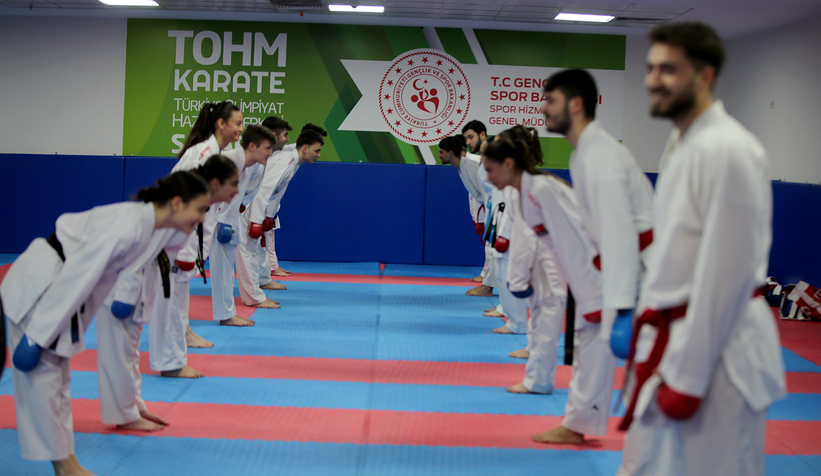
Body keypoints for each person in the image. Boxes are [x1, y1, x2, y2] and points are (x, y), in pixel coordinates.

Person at [617, 22, 785, 476]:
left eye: (668, 69)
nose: (653, 79)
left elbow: (725, 274)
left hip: (723, 354)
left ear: (705, 75)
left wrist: (689, 377)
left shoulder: (729, 149)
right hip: (688, 340)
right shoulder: (685, 143)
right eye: (651, 68)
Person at [1, 170, 211, 476]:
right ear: (177, 203)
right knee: (45, 376)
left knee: (58, 377)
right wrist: (36, 336)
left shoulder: (149, 225)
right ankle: (65, 466)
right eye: (201, 209)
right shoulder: (128, 227)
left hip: (62, 290)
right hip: (44, 289)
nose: (203, 218)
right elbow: (75, 277)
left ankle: (66, 462)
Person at [482, 134, 615, 444]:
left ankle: (578, 424)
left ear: (509, 164)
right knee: (586, 345)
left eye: (490, 169)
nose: (487, 176)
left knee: (593, 347)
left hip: (599, 271)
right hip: (583, 271)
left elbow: (579, 240)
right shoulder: (528, 190)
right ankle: (577, 421)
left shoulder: (540, 190)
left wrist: (590, 294)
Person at [541, 68, 655, 357]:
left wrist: (620, 304)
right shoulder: (583, 154)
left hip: (646, 275)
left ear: (576, 104)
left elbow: (621, 235)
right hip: (625, 270)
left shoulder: (600, 158)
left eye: (551, 100)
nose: (543, 108)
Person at [148, 153, 240, 378]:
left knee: (174, 303)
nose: (238, 191)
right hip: (150, 254)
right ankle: (170, 364)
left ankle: (172, 362)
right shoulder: (193, 196)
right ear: (217, 183)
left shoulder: (204, 198)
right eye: (234, 184)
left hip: (166, 253)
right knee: (159, 307)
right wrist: (186, 258)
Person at [498, 126, 569, 393]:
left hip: (554, 258)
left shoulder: (528, 187)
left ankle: (539, 381)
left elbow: (526, 235)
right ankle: (535, 366)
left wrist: (516, 277)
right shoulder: (528, 183)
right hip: (548, 256)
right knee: (541, 313)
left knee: (548, 314)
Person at [236, 127, 325, 308]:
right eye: (317, 150)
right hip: (248, 205)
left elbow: (275, 193)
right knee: (247, 251)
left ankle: (262, 279)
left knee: (259, 249)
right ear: (306, 149)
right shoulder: (285, 162)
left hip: (261, 207)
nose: (319, 155)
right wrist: (255, 221)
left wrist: (270, 215)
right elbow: (263, 192)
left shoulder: (294, 159)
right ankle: (254, 297)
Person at [210, 124, 280, 325]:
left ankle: (227, 315)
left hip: (230, 215)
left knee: (225, 267)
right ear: (252, 146)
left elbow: (244, 195)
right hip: (207, 215)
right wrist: (221, 218)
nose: (270, 153)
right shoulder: (230, 161)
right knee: (184, 269)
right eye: (267, 148)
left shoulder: (254, 165)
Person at [260, 116, 295, 278]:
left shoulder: (279, 151)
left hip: (270, 205)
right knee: (260, 240)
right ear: (273, 134)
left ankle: (272, 265)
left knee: (270, 234)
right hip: (258, 205)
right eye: (285, 135)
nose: (287, 139)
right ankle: (267, 269)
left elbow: (292, 148)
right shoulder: (260, 153)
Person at [462, 120, 494, 297]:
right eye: (466, 138)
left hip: (501, 207)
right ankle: (487, 282)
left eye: (471, 137)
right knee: (492, 246)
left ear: (483, 134)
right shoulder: (479, 160)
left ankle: (487, 283)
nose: (468, 142)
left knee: (497, 249)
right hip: (491, 207)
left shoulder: (493, 155)